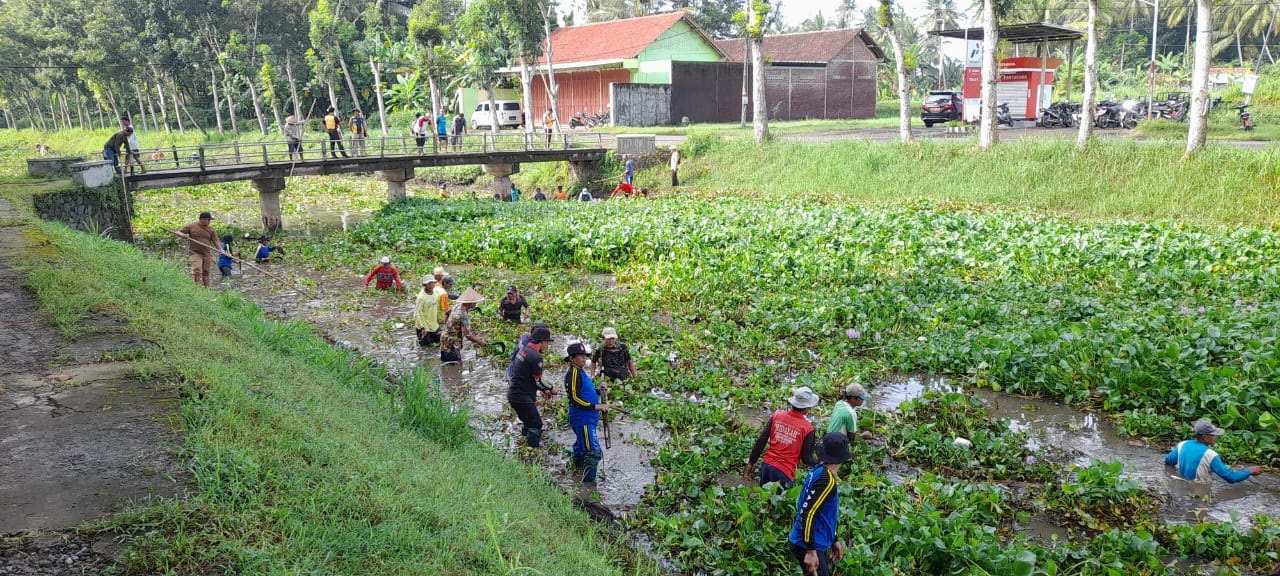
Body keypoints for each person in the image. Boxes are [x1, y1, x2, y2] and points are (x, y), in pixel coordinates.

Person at [787, 432, 853, 576]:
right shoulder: (827, 481)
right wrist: (811, 551)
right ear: (842, 458)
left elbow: (821, 512)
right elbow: (808, 513)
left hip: (808, 540)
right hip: (809, 543)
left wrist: (833, 538)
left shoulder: (818, 470)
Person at [745, 387, 820, 489]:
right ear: (807, 409)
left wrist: (751, 462)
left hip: (766, 467)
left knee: (765, 499)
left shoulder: (777, 416)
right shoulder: (808, 428)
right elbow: (806, 459)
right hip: (784, 472)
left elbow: (762, 440)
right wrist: (822, 463)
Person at [565, 341, 613, 483]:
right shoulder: (573, 374)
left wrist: (599, 390)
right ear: (572, 358)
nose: (584, 358)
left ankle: (576, 473)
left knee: (581, 448)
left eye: (584, 356)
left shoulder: (581, 372)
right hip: (582, 419)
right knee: (593, 452)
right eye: (580, 356)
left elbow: (586, 392)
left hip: (588, 418)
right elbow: (574, 398)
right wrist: (596, 406)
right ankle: (587, 487)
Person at [1165, 418, 1264, 484]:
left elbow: (1168, 461)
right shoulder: (1211, 455)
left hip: (1181, 485)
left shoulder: (1183, 444)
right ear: (1204, 437)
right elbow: (1231, 477)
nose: (1215, 437)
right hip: (1199, 490)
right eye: (1213, 434)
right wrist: (1248, 471)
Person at [507, 325, 555, 447]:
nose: (547, 346)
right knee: (536, 424)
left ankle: (523, 447)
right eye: (547, 343)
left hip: (514, 394)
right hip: (522, 396)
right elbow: (539, 381)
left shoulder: (524, 350)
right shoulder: (536, 356)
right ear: (542, 341)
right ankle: (532, 454)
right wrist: (550, 388)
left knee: (528, 422)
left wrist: (543, 389)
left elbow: (530, 377)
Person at [441, 287, 490, 363]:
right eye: (474, 302)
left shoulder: (457, 306)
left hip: (444, 338)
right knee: (457, 367)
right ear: (470, 303)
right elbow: (467, 334)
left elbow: (447, 313)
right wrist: (480, 342)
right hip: (452, 343)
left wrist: (448, 326)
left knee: (446, 365)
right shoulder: (464, 315)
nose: (476, 303)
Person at [176, 212, 223, 287]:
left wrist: (220, 249)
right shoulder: (191, 226)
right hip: (195, 252)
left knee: (206, 272)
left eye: (210, 220)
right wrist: (183, 235)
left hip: (206, 253)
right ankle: (196, 288)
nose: (209, 222)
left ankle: (207, 289)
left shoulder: (211, 230)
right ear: (202, 219)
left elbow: (216, 241)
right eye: (208, 220)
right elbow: (178, 232)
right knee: (197, 269)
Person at [414, 276, 441, 346]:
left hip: (434, 325)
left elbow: (436, 308)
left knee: (439, 342)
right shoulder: (421, 297)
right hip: (424, 326)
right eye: (429, 283)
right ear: (424, 285)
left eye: (432, 283)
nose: (431, 285)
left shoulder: (435, 294)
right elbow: (417, 313)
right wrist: (422, 327)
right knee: (425, 347)